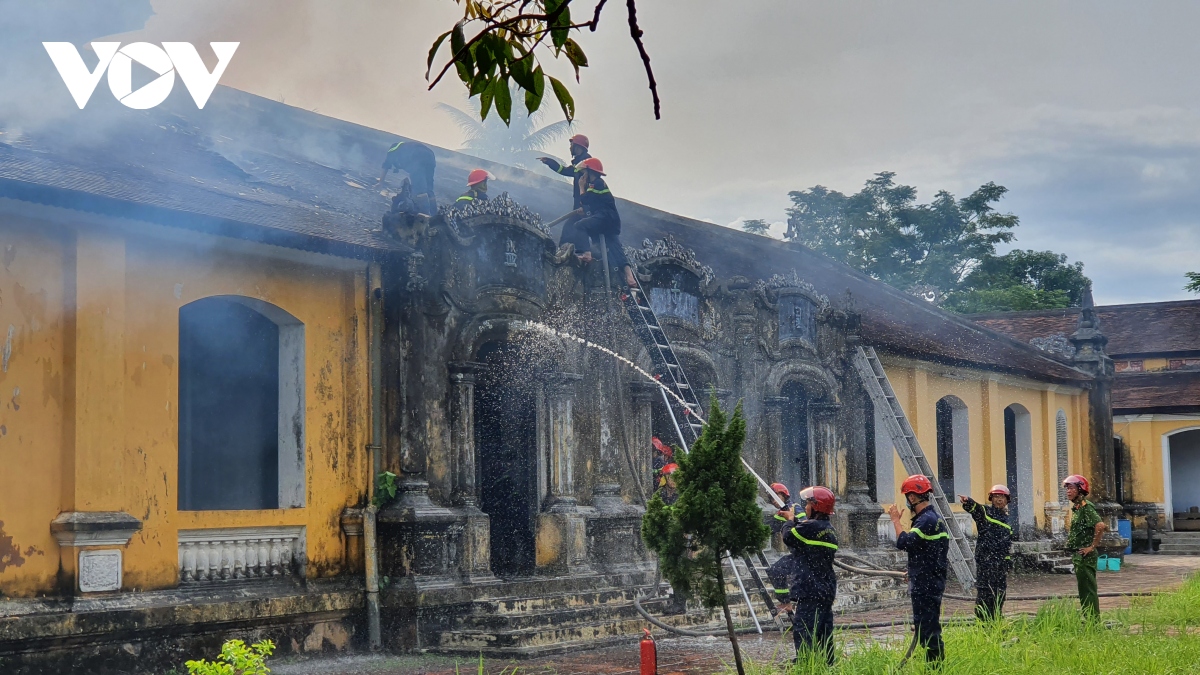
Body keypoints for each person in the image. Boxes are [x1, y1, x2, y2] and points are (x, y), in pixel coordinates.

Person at [889, 474, 949, 665]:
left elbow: (904, 543)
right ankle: (933, 665)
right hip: (929, 579)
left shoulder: (926, 521)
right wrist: (915, 571)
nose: (907, 501)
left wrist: (896, 521)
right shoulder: (934, 519)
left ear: (913, 498)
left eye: (907, 496)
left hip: (926, 585)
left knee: (929, 630)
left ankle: (936, 668)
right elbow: (928, 552)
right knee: (926, 627)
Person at [558, 158, 637, 287]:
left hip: (605, 218)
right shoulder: (600, 184)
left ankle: (586, 253)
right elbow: (595, 204)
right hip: (610, 221)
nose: (583, 176)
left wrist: (581, 187)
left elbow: (586, 199)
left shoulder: (597, 183)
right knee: (615, 247)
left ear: (590, 172)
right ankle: (630, 277)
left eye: (584, 173)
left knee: (580, 225)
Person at [783, 486, 838, 666]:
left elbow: (788, 537)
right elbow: (804, 545)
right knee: (823, 632)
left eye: (808, 503)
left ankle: (805, 665)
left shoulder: (810, 527)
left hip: (810, 590)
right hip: (825, 589)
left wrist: (789, 520)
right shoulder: (829, 529)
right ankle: (827, 665)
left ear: (816, 506)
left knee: (804, 630)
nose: (806, 506)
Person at [960, 485, 1013, 620]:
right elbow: (976, 509)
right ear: (991, 499)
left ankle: (996, 620)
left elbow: (1006, 545)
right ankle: (983, 623)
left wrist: (1007, 561)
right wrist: (968, 502)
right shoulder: (986, 513)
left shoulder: (1007, 521)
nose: (999, 500)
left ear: (1007, 500)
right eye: (996, 497)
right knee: (985, 594)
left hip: (1000, 565)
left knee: (999, 594)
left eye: (1002, 497)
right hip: (986, 562)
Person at [1064, 474, 1107, 621]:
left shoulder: (1086, 507)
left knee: (1088, 589)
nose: (1068, 491)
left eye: (1071, 488)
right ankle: (1089, 618)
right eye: (1067, 489)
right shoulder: (1077, 507)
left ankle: (1093, 621)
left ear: (1080, 490)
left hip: (1085, 555)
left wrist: (1092, 546)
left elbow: (1100, 525)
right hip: (1079, 555)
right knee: (1083, 589)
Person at [765, 482, 800, 613]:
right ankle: (785, 602)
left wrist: (792, 518)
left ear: (784, 495)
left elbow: (804, 524)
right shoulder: (781, 513)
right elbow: (769, 526)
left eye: (776, 496)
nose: (774, 501)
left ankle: (790, 603)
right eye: (771, 498)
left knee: (778, 571)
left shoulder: (795, 508)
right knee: (775, 571)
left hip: (805, 554)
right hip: (797, 554)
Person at [378, 140, 437, 214]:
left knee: (418, 189)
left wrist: (380, 182)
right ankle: (434, 214)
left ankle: (423, 215)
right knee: (429, 188)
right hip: (430, 156)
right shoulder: (406, 148)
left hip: (417, 156)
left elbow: (386, 166)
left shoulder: (392, 151)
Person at [538, 134, 591, 210]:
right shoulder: (579, 162)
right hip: (579, 202)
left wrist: (585, 206)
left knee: (575, 222)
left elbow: (565, 171)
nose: (570, 148)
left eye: (571, 145)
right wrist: (550, 162)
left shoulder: (585, 163)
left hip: (584, 204)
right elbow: (564, 170)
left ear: (578, 147)